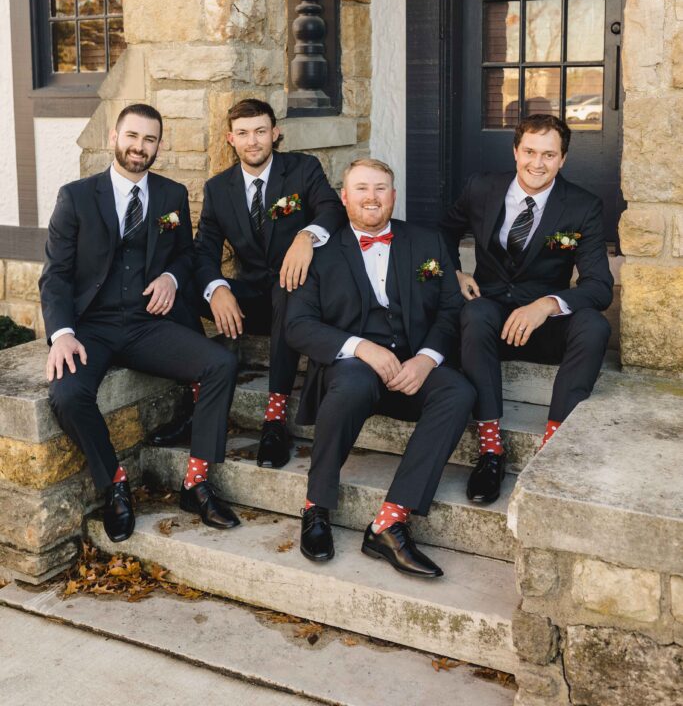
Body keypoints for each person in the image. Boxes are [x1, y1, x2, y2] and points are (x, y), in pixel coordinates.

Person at [41, 104, 241, 543]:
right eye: (132, 136)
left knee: (220, 365)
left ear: (159, 146)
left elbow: (186, 254)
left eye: (149, 139)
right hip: (91, 326)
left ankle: (196, 481)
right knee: (68, 394)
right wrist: (61, 334)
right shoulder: (75, 197)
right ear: (114, 137)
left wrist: (171, 277)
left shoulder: (170, 195)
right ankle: (114, 482)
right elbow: (55, 274)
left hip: (148, 323)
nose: (140, 147)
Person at [286, 159, 475, 577]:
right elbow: (297, 326)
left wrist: (427, 359)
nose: (371, 197)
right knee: (351, 384)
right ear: (344, 197)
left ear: (393, 195)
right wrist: (360, 348)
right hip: (352, 367)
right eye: (361, 189)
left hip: (412, 362)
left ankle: (389, 522)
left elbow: (449, 309)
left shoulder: (427, 242)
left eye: (380, 188)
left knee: (458, 391)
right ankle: (316, 507)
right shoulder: (319, 252)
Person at [150, 98, 346, 468]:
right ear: (231, 139)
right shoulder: (218, 188)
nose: (252, 141)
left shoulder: (303, 169)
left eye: (260, 131)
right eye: (243, 133)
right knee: (177, 288)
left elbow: (332, 209)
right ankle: (199, 401)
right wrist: (217, 289)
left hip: (298, 297)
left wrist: (307, 236)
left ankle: (274, 420)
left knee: (289, 287)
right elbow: (203, 250)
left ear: (275, 133)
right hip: (250, 298)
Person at [440, 114, 613, 505]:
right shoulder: (481, 187)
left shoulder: (583, 207)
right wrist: (454, 272)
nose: (538, 163)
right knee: (476, 312)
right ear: (516, 151)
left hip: (542, 328)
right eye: (530, 152)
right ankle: (490, 449)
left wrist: (547, 304)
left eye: (549, 155)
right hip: (487, 326)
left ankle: (553, 442)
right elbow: (442, 231)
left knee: (594, 326)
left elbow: (600, 286)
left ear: (563, 159)